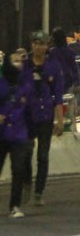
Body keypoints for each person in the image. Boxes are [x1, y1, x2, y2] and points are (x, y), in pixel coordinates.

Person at [22, 30, 64, 207]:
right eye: (36, 43)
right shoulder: (24, 66)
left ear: (48, 46)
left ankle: (39, 191)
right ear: (31, 44)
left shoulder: (53, 66)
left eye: (42, 43)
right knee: (25, 153)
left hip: (45, 115)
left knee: (43, 156)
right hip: (26, 116)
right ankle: (26, 184)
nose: (39, 47)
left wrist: (60, 120)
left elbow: (58, 95)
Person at [0, 52, 32, 218]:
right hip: (2, 133)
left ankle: (15, 205)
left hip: (20, 133)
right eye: (15, 61)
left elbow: (30, 110)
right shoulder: (1, 84)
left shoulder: (25, 86)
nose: (18, 64)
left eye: (20, 61)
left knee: (18, 169)